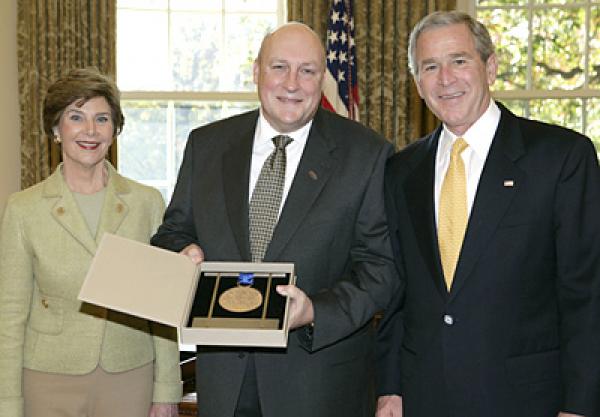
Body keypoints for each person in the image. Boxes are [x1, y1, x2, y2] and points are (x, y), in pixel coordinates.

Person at [151, 22, 397, 417]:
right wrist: (184, 250)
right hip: (225, 385)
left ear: (322, 78)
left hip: (319, 386)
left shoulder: (366, 155)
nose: (292, 83)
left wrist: (315, 311)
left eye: (308, 70)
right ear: (256, 72)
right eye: (279, 67)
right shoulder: (207, 145)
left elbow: (381, 269)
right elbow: (171, 233)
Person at [376, 10, 600, 417]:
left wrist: (580, 403)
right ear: (417, 83)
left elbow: (586, 294)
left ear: (490, 67)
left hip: (528, 399)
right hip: (424, 397)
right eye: (430, 66)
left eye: (459, 60)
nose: (446, 78)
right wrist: (390, 388)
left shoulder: (561, 158)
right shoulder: (400, 171)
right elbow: (397, 294)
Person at [0, 68, 182, 417]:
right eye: (76, 117)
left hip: (130, 375)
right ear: (56, 129)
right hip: (47, 377)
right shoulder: (22, 210)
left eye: (102, 118)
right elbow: (10, 317)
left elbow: (162, 309)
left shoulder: (147, 203)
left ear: (115, 130)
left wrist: (167, 390)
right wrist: (9, 405)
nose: (90, 131)